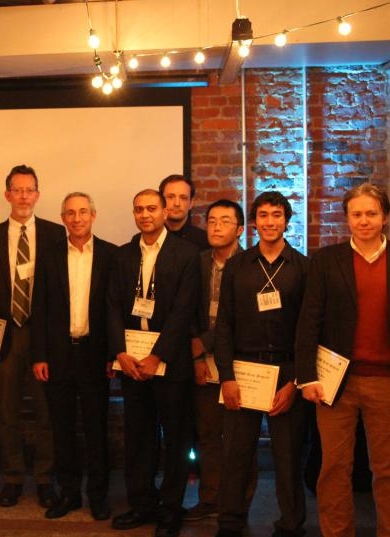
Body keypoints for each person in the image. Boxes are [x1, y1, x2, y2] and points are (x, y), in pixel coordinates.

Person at [296, 183, 390, 537]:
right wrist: (306, 377)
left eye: (371, 213)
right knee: (334, 467)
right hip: (336, 383)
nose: (364, 221)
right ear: (347, 218)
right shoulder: (325, 260)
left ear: (385, 218)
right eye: (357, 214)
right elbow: (309, 321)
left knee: (389, 470)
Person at [214, 191, 309, 537]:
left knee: (287, 459)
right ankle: (230, 523)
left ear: (287, 220)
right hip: (244, 369)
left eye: (277, 215)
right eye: (264, 215)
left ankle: (291, 524)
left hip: (286, 371)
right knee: (235, 455)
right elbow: (224, 324)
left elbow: (308, 329)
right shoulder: (237, 266)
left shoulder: (302, 267)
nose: (270, 222)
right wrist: (227, 376)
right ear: (253, 222)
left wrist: (296, 381)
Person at [0, 164, 63, 509]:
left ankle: (43, 479)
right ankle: (11, 477)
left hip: (44, 338)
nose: (24, 196)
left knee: (44, 412)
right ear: (7, 194)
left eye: (29, 190)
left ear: (37, 195)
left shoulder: (56, 235)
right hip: (4, 337)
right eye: (17, 190)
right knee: (6, 411)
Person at [107, 189, 199, 536]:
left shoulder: (187, 254)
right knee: (138, 436)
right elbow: (112, 305)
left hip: (169, 362)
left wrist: (157, 355)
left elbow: (183, 310)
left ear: (165, 211)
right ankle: (142, 504)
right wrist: (120, 353)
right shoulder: (124, 254)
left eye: (151, 208)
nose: (145, 214)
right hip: (131, 361)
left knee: (176, 437)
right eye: (139, 209)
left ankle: (171, 508)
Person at [31, 192, 116, 521]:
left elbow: (114, 310)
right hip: (58, 355)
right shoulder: (49, 255)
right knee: (62, 429)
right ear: (63, 218)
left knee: (97, 429)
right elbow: (39, 308)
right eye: (70, 213)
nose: (77, 218)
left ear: (94, 215)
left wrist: (113, 354)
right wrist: (39, 355)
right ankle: (69, 493)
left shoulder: (111, 255)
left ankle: (98, 495)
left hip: (96, 356)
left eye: (83, 212)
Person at [185, 199, 257, 522]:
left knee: (242, 438)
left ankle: (239, 503)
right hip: (202, 361)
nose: (216, 227)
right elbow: (186, 308)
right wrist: (197, 354)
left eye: (225, 221)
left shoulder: (251, 265)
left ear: (240, 229)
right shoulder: (197, 262)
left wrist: (205, 342)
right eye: (211, 221)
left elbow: (241, 319)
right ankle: (210, 498)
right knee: (208, 435)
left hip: (240, 363)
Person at [160, 174, 210, 250]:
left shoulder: (204, 240)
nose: (177, 204)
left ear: (191, 203)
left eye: (183, 198)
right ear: (160, 201)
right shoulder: (150, 238)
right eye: (170, 197)